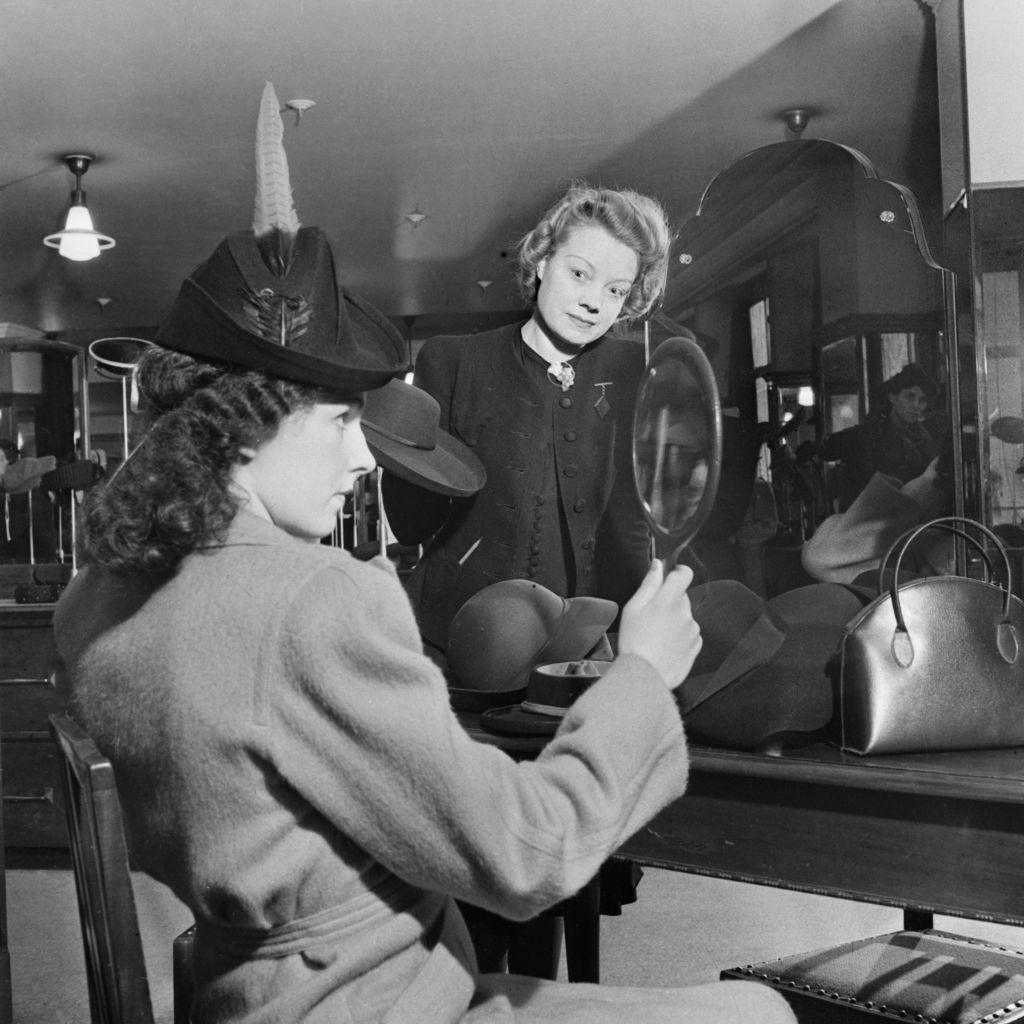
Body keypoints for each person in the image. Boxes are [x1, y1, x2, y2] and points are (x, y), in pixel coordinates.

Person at [52, 86, 795, 1024]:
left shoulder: (98, 595)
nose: (368, 454)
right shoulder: (314, 603)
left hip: (250, 985)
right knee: (767, 1012)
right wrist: (642, 675)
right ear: (249, 425)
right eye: (339, 420)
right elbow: (529, 855)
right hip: (381, 1003)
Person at [382, 184, 670, 657]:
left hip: (588, 642)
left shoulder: (634, 372)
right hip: (455, 636)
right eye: (580, 274)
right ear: (541, 262)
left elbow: (634, 520)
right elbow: (410, 524)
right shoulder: (455, 362)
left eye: (615, 290)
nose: (594, 302)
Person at [821, 363, 943, 511]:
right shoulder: (866, 434)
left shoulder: (927, 439)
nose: (916, 405)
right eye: (910, 397)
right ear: (892, 397)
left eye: (922, 400)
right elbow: (827, 450)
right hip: (870, 517)